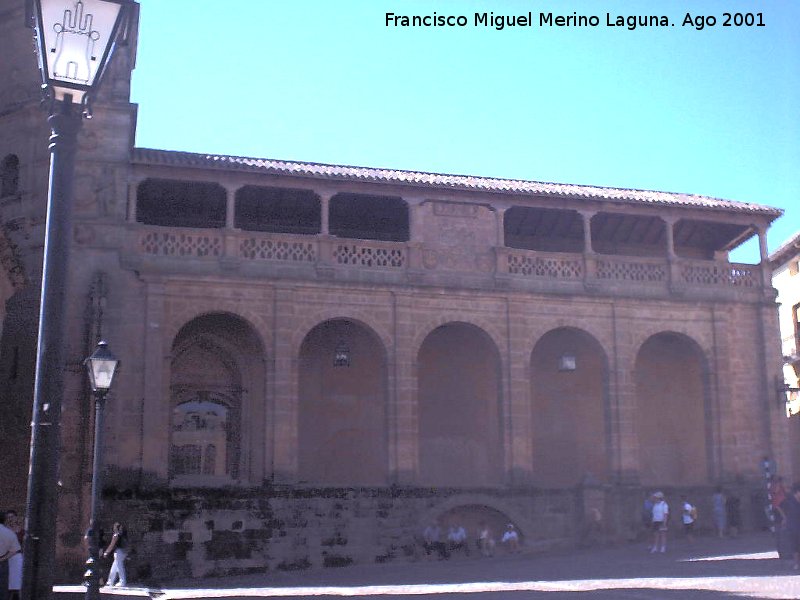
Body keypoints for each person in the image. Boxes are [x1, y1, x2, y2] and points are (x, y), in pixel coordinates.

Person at [0, 512, 22, 600]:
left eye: (12, 517)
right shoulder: (8, 532)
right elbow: (15, 549)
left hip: (14, 560)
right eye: (8, 517)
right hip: (6, 559)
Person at [779, 482, 800, 570]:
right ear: (797, 492)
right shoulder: (789, 500)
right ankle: (797, 563)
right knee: (795, 546)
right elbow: (779, 507)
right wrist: (784, 518)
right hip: (793, 526)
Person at [103, 522, 129, 587]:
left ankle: (122, 582)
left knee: (120, 567)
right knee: (114, 567)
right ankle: (110, 581)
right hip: (123, 552)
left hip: (119, 552)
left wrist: (106, 552)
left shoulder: (116, 535)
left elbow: (112, 545)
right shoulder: (123, 535)